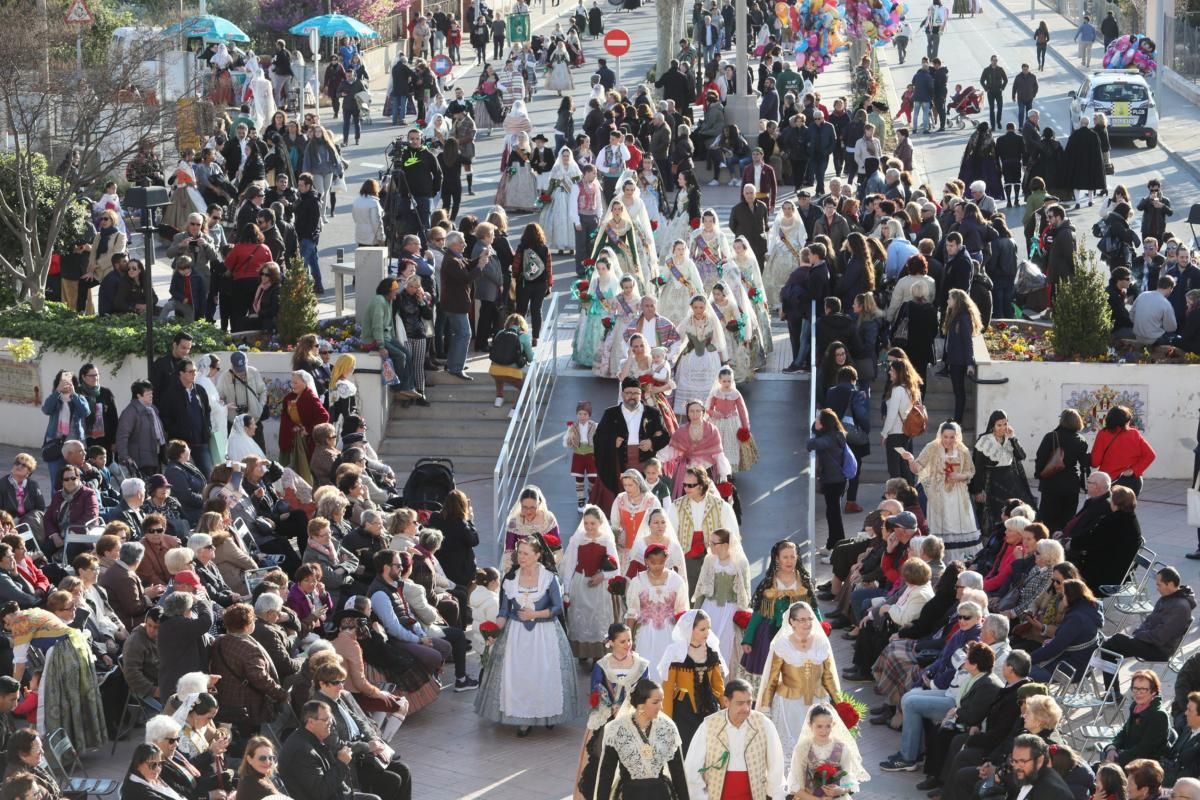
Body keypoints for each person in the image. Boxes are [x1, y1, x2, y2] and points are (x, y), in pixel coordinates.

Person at [474, 535, 578, 736]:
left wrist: (535, 614)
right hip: (516, 635)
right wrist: (494, 632)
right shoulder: (510, 579)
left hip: (545, 633)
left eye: (526, 553)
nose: (521, 557)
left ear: (538, 555)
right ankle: (524, 719)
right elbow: (504, 611)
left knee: (544, 674)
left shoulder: (549, 578)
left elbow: (557, 608)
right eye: (519, 552)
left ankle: (548, 715)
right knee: (521, 676)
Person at [755, 601, 840, 770]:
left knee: (818, 747)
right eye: (801, 620)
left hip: (818, 703)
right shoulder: (782, 645)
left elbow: (828, 677)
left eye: (809, 619)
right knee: (793, 750)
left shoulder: (821, 643)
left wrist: (840, 703)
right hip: (789, 706)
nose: (807, 623)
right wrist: (765, 708)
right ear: (791, 622)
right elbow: (771, 680)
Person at [683, 678, 786, 800]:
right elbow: (692, 767)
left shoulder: (763, 723)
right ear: (726, 701)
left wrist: (776, 796)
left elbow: (776, 766)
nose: (746, 708)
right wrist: (699, 797)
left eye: (749, 702)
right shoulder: (709, 725)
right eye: (740, 703)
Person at [591, 679, 689, 799]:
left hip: (660, 795)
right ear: (641, 705)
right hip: (629, 795)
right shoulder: (617, 730)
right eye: (655, 702)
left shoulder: (668, 728)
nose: (661, 706)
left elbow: (678, 773)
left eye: (661, 701)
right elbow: (606, 774)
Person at [590, 378, 672, 511]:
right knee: (620, 496)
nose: (632, 396)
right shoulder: (610, 414)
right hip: (619, 461)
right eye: (628, 393)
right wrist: (612, 441)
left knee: (643, 498)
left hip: (645, 462)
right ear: (622, 394)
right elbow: (598, 438)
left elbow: (665, 436)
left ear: (641, 394)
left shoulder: (653, 413)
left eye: (636, 393)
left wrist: (652, 442)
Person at [971, 410, 1035, 540]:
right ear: (993, 426)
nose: (1002, 428)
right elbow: (977, 468)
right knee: (995, 517)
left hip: (1011, 482)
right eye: (999, 425)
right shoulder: (984, 440)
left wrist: (1013, 438)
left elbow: (1021, 456)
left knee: (1014, 512)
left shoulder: (1009, 439)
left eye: (1005, 424)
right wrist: (977, 490)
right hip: (992, 483)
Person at [1034, 409, 1092, 534]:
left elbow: (1041, 457)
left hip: (1051, 484)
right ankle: (1063, 548)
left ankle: (1047, 548)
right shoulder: (1080, 440)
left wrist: (1039, 474)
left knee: (1047, 521)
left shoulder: (1051, 437)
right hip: (1071, 485)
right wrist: (1084, 484)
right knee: (1067, 520)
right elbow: (1084, 465)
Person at [1090, 404, 1156, 495]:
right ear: (1126, 420)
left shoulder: (1103, 434)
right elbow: (1150, 455)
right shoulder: (1134, 433)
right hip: (1132, 481)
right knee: (1128, 508)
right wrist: (1134, 470)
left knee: (1108, 508)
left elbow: (1095, 462)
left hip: (1110, 481)